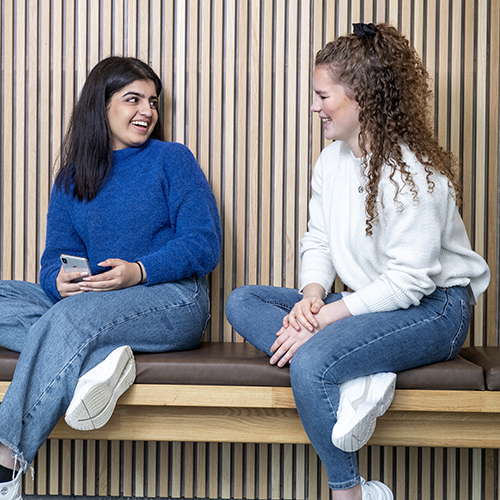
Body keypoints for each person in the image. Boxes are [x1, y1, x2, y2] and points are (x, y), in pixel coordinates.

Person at [226, 23, 489, 500]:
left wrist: (325, 320)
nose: (314, 106)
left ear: (361, 97)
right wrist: (311, 298)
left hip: (436, 310)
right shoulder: (332, 162)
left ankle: (351, 493)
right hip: (369, 304)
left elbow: (410, 283)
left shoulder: (415, 174)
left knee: (310, 366)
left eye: (322, 94)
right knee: (242, 301)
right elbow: (320, 239)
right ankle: (362, 371)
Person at [0, 56, 221, 499]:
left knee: (68, 322)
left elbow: (204, 244)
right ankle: (99, 358)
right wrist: (57, 283)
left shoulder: (171, 159)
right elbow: (53, 259)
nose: (147, 112)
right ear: (100, 106)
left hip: (172, 300)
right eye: (133, 99)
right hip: (93, 304)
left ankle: (5, 463)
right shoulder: (72, 178)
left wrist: (138, 271)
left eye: (153, 102)